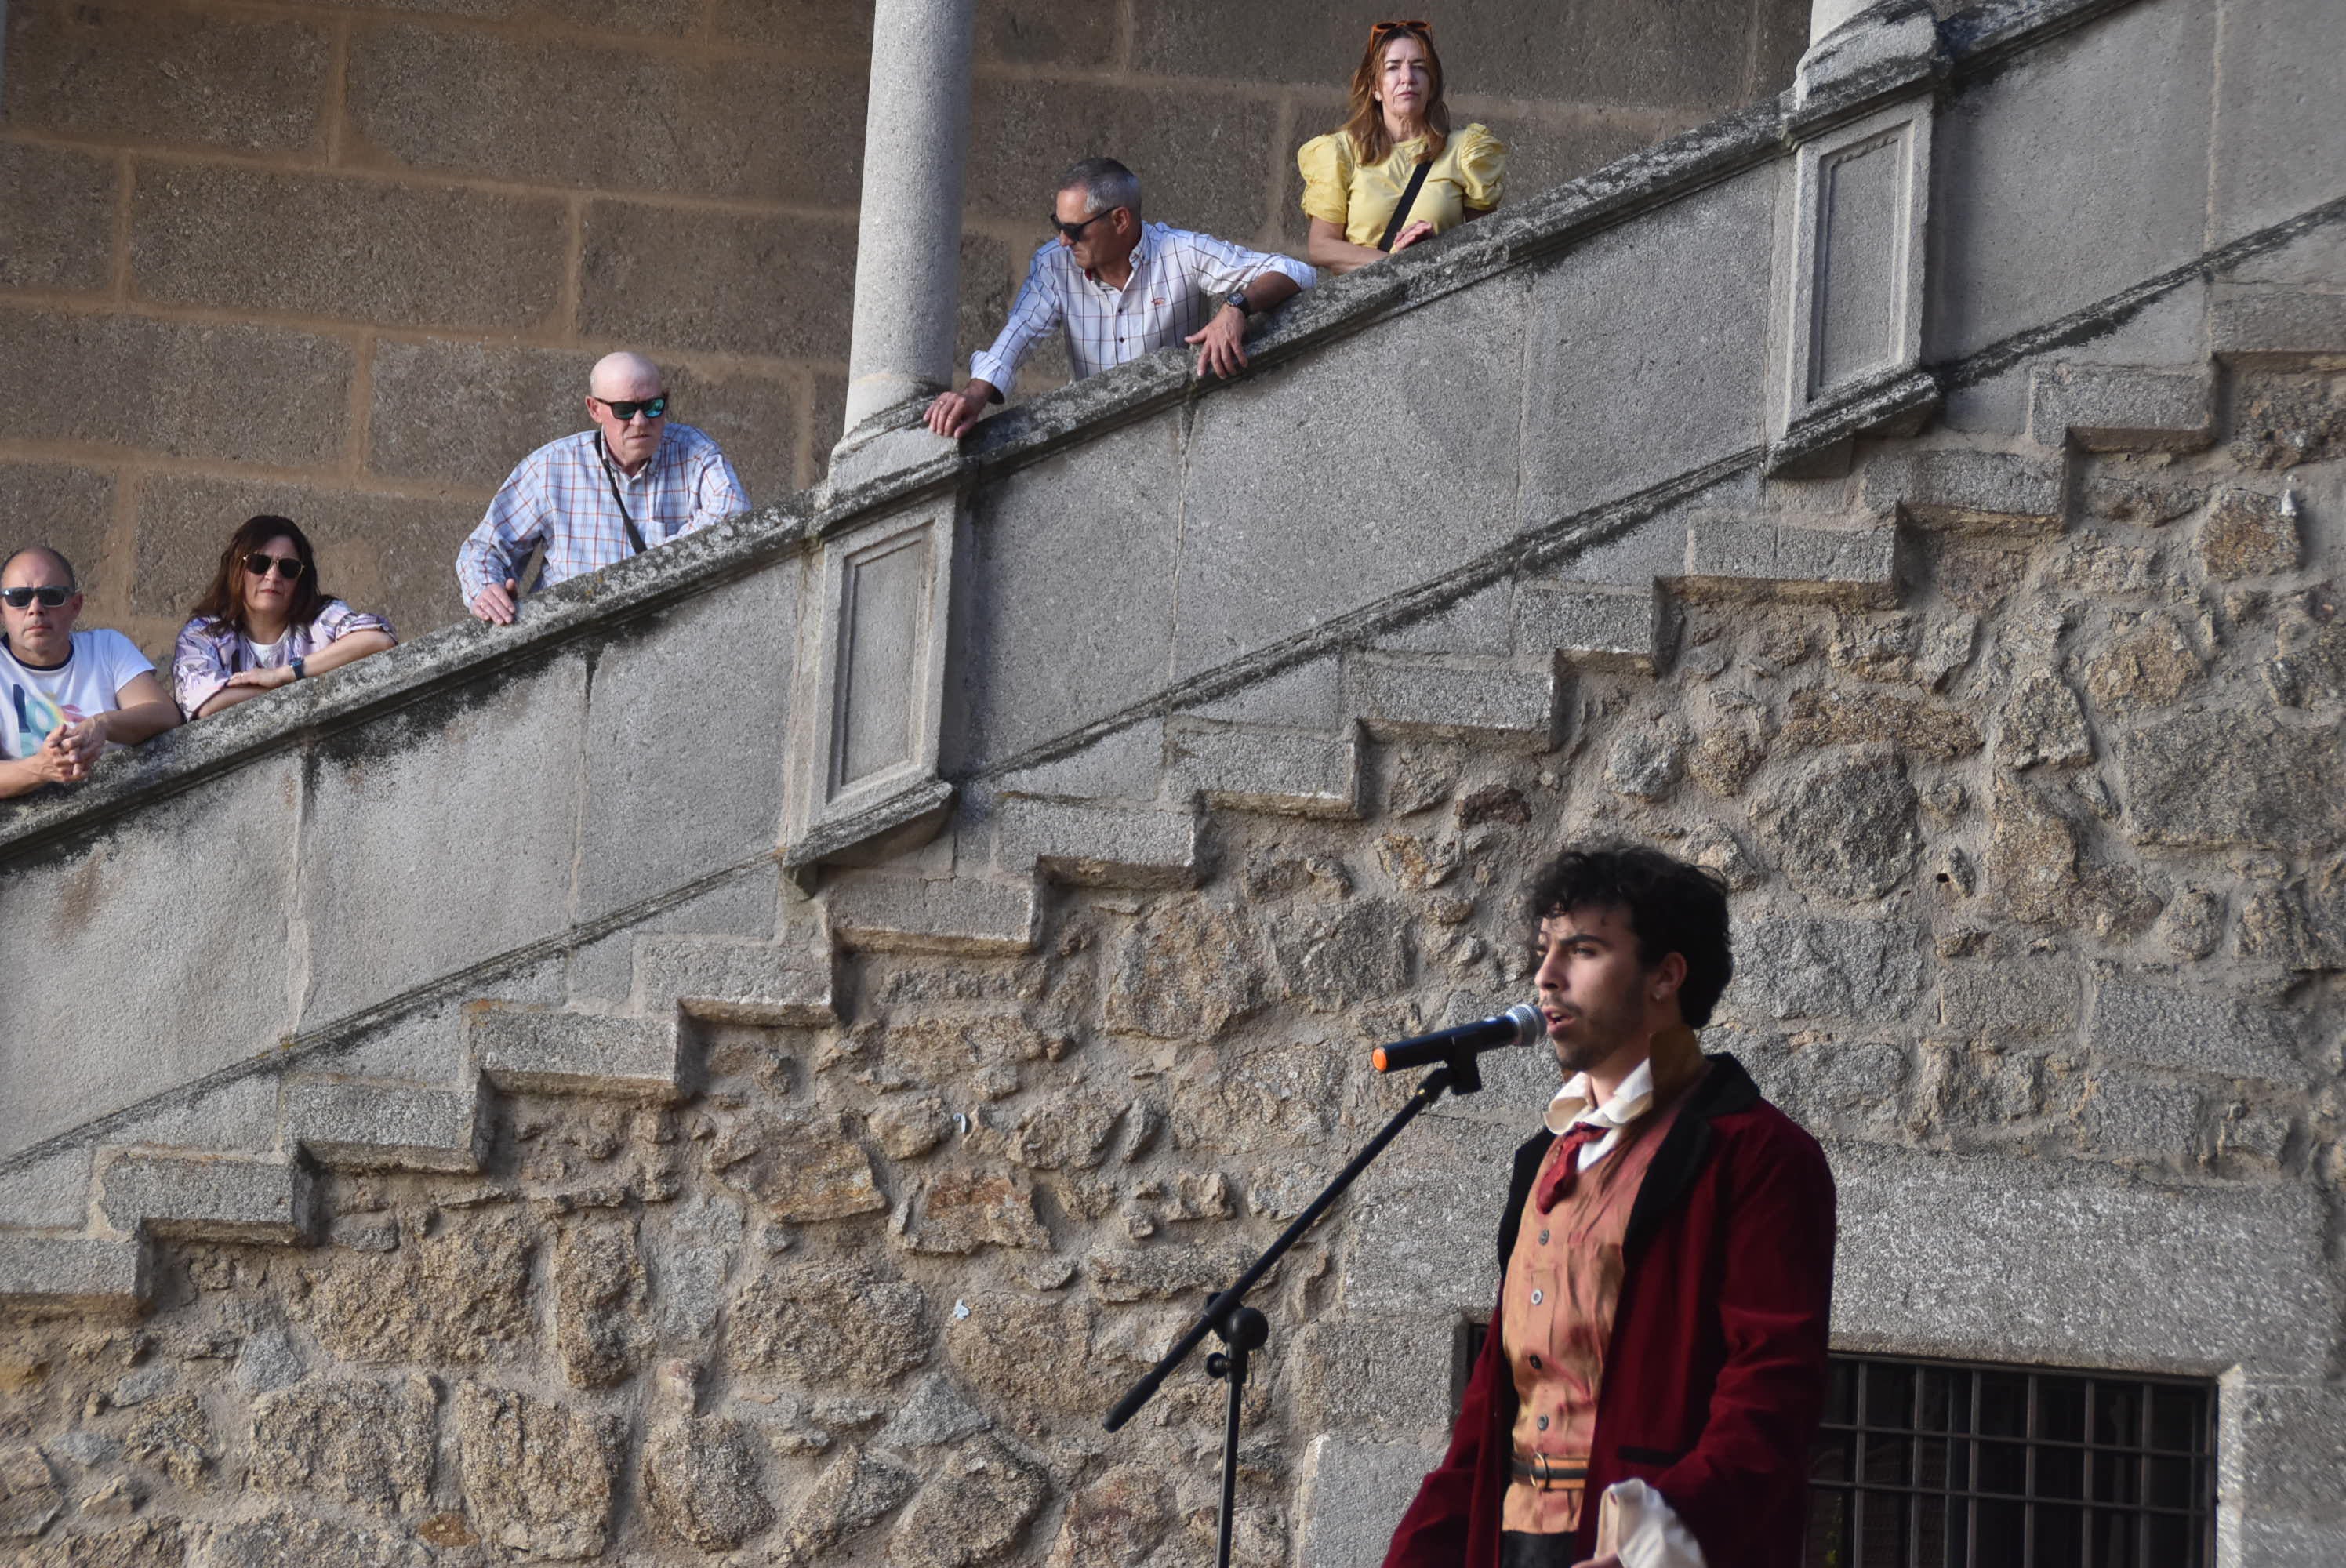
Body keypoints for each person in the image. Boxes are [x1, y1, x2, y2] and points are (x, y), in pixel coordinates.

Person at [1383, 844, 1836, 1568]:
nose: (1546, 978)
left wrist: (1652, 1542)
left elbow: (1771, 1388)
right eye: (1544, 951)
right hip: (1510, 1542)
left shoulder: (1756, 1154)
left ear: (1666, 975)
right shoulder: (1545, 1155)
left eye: (1584, 951)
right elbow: (1495, 1401)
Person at [924, 158, 1316, 438]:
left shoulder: (1181, 251)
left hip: (1178, 434)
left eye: (1074, 230)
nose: (1063, 240)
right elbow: (1019, 333)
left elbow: (1297, 271)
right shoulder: (1054, 263)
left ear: (1120, 220)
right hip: (1093, 442)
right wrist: (973, 394)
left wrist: (1236, 308)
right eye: (1057, 226)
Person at [457, 351, 750, 626]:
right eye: (624, 410)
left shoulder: (695, 451)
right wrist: (487, 591)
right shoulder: (552, 467)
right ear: (595, 409)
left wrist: (645, 572)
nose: (640, 422)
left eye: (653, 406)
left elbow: (733, 512)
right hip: (570, 638)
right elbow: (484, 548)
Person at [1298, 20, 1508, 276]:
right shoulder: (1340, 151)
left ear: (1431, 85)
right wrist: (1402, 265)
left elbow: (1487, 244)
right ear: (1376, 87)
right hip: (1368, 310)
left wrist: (1436, 249)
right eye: (1393, 68)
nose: (1407, 78)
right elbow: (1321, 247)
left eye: (1419, 67)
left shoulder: (1464, 150)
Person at [171, 516, 398, 719]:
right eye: (259, 564)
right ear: (236, 569)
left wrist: (285, 674)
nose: (273, 575)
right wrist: (305, 683)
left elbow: (378, 640)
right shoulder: (203, 633)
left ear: (301, 578)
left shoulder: (322, 617)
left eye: (288, 568)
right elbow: (209, 704)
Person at [1, 546, 181, 799]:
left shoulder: (107, 647)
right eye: (18, 598)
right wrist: (41, 768)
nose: (35, 608)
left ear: (76, 605)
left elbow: (166, 714)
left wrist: (102, 725)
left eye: (51, 595)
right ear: (1, 609)